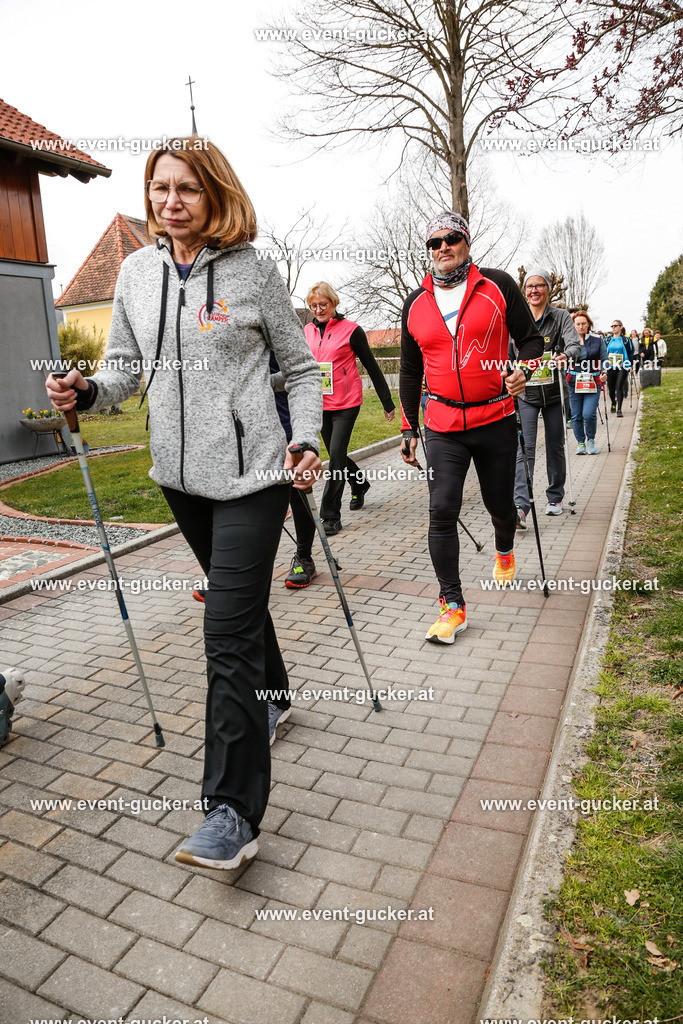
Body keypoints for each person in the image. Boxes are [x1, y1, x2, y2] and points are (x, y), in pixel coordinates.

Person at [46, 138, 323, 872]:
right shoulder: (136, 272)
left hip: (254, 477)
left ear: (216, 195)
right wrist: (87, 393)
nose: (171, 203)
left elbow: (300, 369)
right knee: (240, 610)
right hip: (177, 478)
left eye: (188, 190)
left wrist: (306, 439)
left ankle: (231, 812)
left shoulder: (254, 271)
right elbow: (124, 370)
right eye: (160, 189)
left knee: (223, 635)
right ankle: (279, 694)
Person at [399, 212, 544, 644]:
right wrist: (409, 428)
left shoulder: (497, 285)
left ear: (466, 241)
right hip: (442, 423)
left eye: (452, 238)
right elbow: (410, 370)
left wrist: (523, 370)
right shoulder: (415, 302)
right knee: (442, 509)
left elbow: (532, 341)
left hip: (495, 416)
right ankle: (452, 605)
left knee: (499, 505)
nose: (442, 247)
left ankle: (503, 548)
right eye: (434, 242)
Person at [304, 282, 395, 535]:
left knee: (334, 458)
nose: (319, 309)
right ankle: (360, 485)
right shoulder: (307, 331)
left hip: (346, 403)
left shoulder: (351, 330)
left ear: (334, 303)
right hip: (320, 404)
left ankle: (330, 515)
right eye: (314, 305)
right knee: (338, 455)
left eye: (324, 304)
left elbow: (372, 366)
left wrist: (387, 402)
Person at [512, 269, 581, 524]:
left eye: (540, 285)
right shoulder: (518, 317)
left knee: (555, 446)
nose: (534, 291)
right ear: (524, 290)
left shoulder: (561, 316)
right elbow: (508, 350)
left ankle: (555, 496)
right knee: (524, 448)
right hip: (527, 393)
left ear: (548, 289)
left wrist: (566, 356)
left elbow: (574, 344)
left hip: (554, 393)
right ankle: (521, 506)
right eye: (529, 286)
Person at [568, 311, 607, 455]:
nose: (580, 326)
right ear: (573, 325)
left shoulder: (597, 340)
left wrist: (604, 372)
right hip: (573, 382)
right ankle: (580, 443)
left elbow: (604, 359)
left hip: (593, 381)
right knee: (576, 415)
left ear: (589, 324)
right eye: (577, 324)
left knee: (589, 413)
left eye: (583, 323)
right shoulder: (568, 340)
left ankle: (591, 440)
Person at [606, 319, 631, 417]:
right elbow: (603, 353)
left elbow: (630, 353)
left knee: (619, 386)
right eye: (612, 326)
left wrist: (630, 366)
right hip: (610, 366)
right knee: (611, 388)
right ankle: (613, 403)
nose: (613, 328)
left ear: (621, 327)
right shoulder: (607, 340)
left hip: (622, 366)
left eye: (615, 326)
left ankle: (619, 409)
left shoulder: (625, 340)